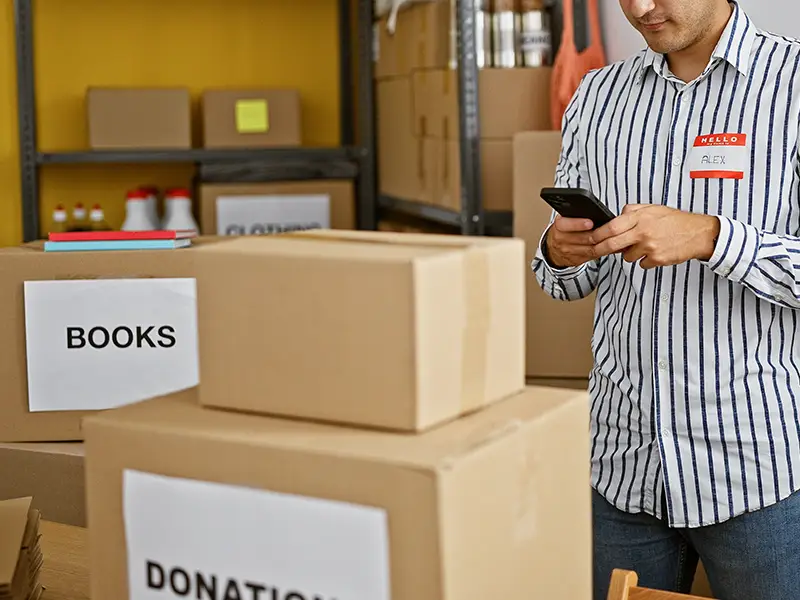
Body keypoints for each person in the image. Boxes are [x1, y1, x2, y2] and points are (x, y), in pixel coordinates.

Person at [532, 1, 800, 599]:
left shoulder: (792, 87)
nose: (642, 7)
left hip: (755, 471)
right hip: (621, 467)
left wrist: (711, 238)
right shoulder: (597, 96)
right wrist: (559, 250)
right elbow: (558, 280)